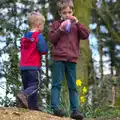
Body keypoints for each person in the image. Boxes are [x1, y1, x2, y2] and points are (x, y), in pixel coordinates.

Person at [48, 0, 89, 119]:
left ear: (73, 12)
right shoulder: (56, 24)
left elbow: (85, 35)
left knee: (73, 86)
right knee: (57, 84)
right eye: (64, 12)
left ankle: (75, 111)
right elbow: (51, 39)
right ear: (60, 13)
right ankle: (55, 107)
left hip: (72, 59)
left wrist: (78, 23)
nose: (67, 14)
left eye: (69, 12)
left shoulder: (76, 26)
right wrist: (60, 29)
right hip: (59, 59)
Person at [17, 11, 48, 110]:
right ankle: (23, 95)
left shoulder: (25, 37)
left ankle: (32, 107)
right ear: (39, 25)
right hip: (33, 67)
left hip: (23, 67)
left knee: (28, 87)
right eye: (43, 25)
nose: (43, 27)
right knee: (35, 85)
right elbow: (43, 50)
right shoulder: (38, 36)